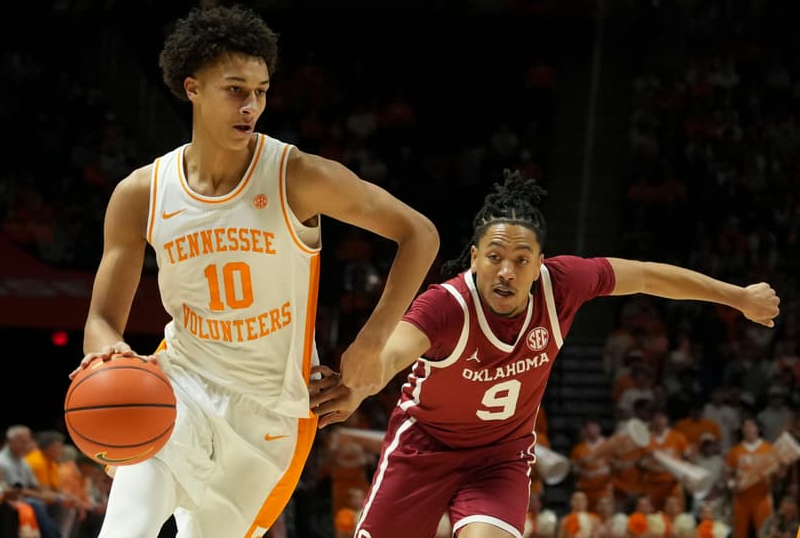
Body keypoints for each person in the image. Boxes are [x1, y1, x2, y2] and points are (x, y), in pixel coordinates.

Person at [68, 4, 439, 538]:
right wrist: (110, 354)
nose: (251, 106)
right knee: (125, 529)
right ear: (193, 89)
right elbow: (101, 321)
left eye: (261, 91)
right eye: (235, 90)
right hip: (179, 387)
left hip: (272, 412)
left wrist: (371, 345)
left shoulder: (296, 176)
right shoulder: (141, 193)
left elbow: (419, 233)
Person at [312, 169, 780, 537]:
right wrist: (362, 384)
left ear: (539, 264)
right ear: (474, 257)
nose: (507, 271)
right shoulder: (446, 306)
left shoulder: (563, 285)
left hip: (500, 456)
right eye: (494, 257)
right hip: (424, 448)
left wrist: (737, 297)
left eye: (521, 260)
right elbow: (394, 353)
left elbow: (646, 276)